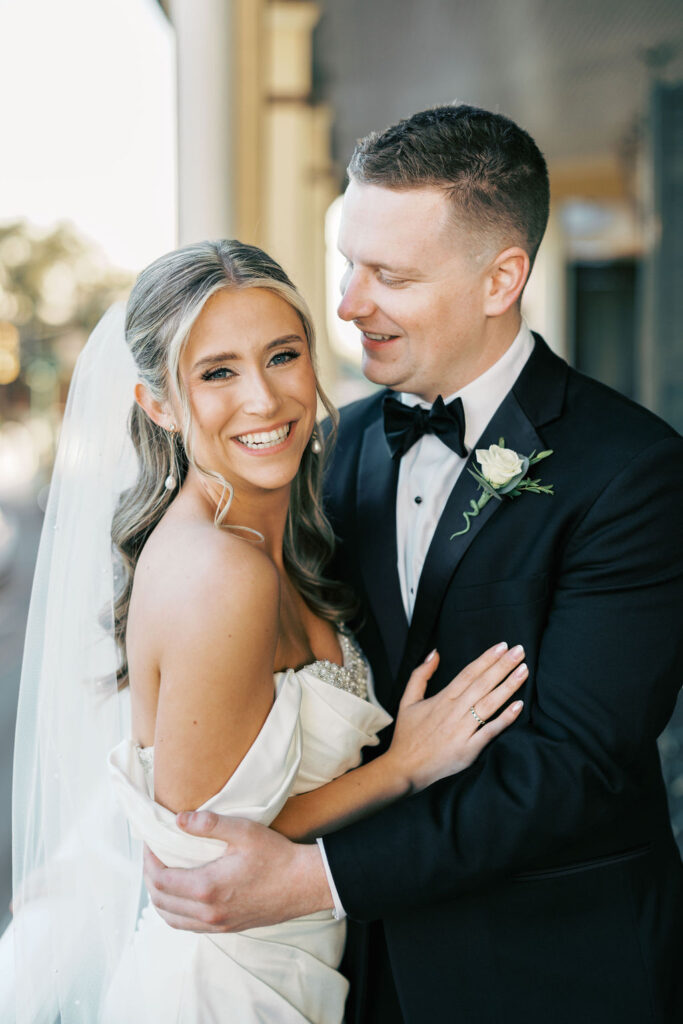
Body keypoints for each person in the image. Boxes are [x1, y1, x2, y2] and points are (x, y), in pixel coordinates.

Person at [143, 106, 683, 1024]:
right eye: (348, 264)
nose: (348, 303)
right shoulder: (335, 446)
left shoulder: (632, 474)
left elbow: (571, 768)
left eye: (388, 274)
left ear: (500, 279)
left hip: (553, 972)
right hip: (357, 978)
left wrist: (315, 880)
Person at [1, 239, 527, 1023]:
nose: (264, 398)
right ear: (161, 405)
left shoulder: (267, 539)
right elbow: (197, 848)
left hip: (292, 963)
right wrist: (403, 766)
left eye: (282, 355)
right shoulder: (222, 573)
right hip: (224, 989)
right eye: (217, 372)